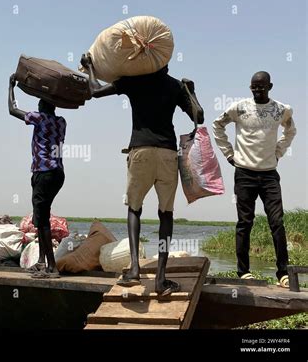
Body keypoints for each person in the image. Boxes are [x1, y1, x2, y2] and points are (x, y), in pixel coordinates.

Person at [80, 54, 204, 295]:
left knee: (134, 209)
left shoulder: (133, 80)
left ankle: (135, 268)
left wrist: (90, 67)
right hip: (168, 155)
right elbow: (199, 117)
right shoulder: (176, 85)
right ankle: (160, 279)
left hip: (141, 153)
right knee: (166, 215)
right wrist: (192, 92)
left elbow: (94, 91)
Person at [213, 71, 296, 288]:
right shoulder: (239, 108)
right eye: (254, 87)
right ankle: (243, 272)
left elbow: (291, 130)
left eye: (261, 86)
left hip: (269, 174)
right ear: (250, 87)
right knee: (245, 223)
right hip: (244, 173)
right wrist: (229, 154)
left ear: (270, 86)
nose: (257, 90)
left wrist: (278, 152)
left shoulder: (281, 110)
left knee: (277, 222)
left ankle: (283, 273)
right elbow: (217, 125)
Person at [8, 73, 66, 279]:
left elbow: (12, 110)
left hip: (43, 172)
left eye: (40, 104)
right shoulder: (61, 122)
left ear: (42, 108)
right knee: (41, 216)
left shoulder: (39, 118)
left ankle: (52, 268)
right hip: (58, 174)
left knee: (42, 221)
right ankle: (42, 261)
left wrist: (11, 87)